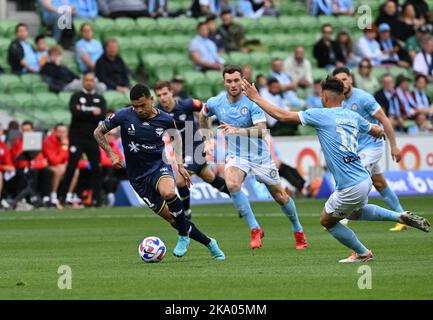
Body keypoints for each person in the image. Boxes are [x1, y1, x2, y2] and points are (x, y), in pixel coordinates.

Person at [241, 76, 431, 262]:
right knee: (356, 212)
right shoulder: (352, 116)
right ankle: (399, 216)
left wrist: (256, 98)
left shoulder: (320, 115)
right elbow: (374, 128)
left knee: (327, 221)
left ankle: (362, 253)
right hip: (364, 179)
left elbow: (282, 115)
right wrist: (379, 131)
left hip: (349, 184)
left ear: (324, 97)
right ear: (342, 96)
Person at [93, 83, 225, 259]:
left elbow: (176, 138)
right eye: (135, 106)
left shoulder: (164, 119)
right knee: (173, 220)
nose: (139, 110)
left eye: (142, 105)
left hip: (158, 167)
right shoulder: (124, 115)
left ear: (151, 100)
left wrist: (179, 164)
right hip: (137, 178)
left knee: (169, 192)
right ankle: (210, 243)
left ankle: (183, 236)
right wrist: (111, 154)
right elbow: (98, 132)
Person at [199, 65, 308, 250]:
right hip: (237, 155)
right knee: (232, 184)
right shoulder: (216, 102)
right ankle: (255, 228)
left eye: (236, 80)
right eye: (229, 81)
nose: (233, 85)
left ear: (242, 81)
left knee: (280, 196)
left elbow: (262, 130)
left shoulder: (252, 103)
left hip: (260, 156)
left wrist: (237, 130)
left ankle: (298, 230)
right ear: (223, 82)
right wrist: (207, 140)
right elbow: (203, 115)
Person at [332, 67, 408, 232]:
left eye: (344, 79)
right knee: (380, 183)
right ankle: (402, 216)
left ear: (351, 79)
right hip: (356, 149)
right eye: (338, 81)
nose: (342, 83)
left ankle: (343, 215)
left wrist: (394, 145)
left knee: (355, 176)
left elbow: (384, 119)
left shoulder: (364, 98)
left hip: (372, 146)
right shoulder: (338, 101)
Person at [154, 80, 230, 219]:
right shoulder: (157, 111)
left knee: (180, 180)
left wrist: (207, 135)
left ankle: (186, 212)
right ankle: (237, 196)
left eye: (165, 93)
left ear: (171, 92)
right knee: (210, 177)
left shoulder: (187, 104)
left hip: (196, 147)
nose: (162, 98)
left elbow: (207, 109)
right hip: (180, 152)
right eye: (159, 95)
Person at [59, 73, 106, 207]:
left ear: (94, 83)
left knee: (97, 168)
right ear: (83, 82)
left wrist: (84, 112)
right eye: (87, 80)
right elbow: (75, 113)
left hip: (93, 139)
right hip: (77, 138)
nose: (89, 83)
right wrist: (92, 112)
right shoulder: (76, 97)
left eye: (91, 80)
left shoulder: (99, 98)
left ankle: (96, 199)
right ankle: (62, 197)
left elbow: (102, 114)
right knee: (71, 167)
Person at [10, 121, 52, 207]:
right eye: (24, 130)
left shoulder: (40, 141)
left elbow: (45, 155)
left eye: (28, 130)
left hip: (38, 165)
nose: (26, 132)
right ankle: (31, 197)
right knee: (33, 172)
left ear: (32, 130)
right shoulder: (17, 142)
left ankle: (46, 197)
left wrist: (44, 161)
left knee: (47, 171)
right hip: (24, 167)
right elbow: (16, 159)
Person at [40, 45, 107, 94]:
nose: (56, 57)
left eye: (58, 55)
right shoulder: (47, 66)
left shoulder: (63, 66)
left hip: (74, 82)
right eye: (54, 55)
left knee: (100, 84)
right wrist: (56, 66)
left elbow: (73, 75)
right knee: (90, 83)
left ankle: (94, 97)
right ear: (49, 55)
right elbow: (52, 78)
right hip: (65, 86)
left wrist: (77, 79)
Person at [42, 123, 79, 208]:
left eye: (64, 132)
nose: (62, 134)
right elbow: (54, 161)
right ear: (55, 132)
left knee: (75, 170)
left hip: (62, 166)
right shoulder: (49, 141)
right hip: (49, 166)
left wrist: (66, 163)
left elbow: (71, 157)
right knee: (58, 170)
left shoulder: (69, 140)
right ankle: (53, 197)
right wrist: (64, 146)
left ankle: (68, 197)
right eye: (60, 132)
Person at [0, 133, 15, 210]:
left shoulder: (3, 146)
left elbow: (8, 161)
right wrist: (3, 167)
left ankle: (8, 198)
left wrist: (9, 167)